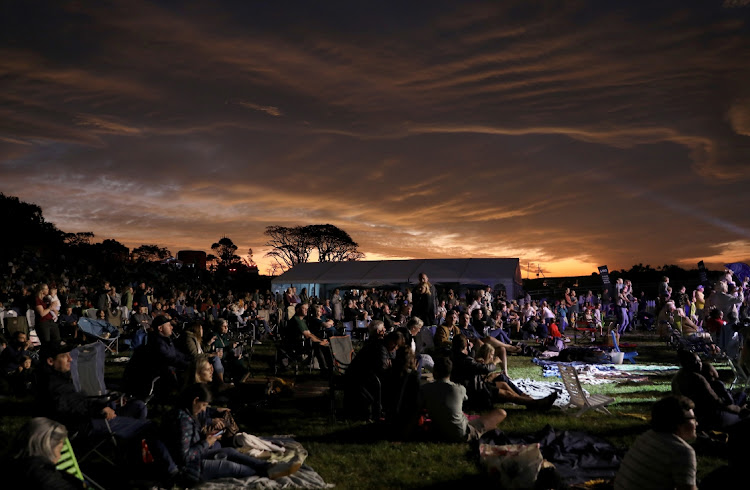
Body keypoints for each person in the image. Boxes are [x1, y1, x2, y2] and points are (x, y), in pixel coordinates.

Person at [167, 384, 300, 484]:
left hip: (198, 455)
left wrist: (207, 437)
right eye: (203, 405)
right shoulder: (183, 421)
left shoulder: (188, 414)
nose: (203, 409)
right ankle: (266, 472)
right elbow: (184, 457)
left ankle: (267, 466)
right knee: (232, 467)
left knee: (230, 451)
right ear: (195, 400)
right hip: (191, 468)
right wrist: (206, 442)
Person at [614, 395, 697, 490]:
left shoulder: (647, 436)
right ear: (679, 422)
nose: (696, 423)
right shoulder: (683, 451)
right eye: (693, 418)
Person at [419, 356, 507, 443]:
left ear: (434, 372)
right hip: (462, 433)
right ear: (450, 372)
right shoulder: (459, 389)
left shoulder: (424, 389)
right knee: (501, 413)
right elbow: (464, 399)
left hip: (438, 432)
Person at [15, 417, 86, 489]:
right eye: (59, 450)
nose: (60, 456)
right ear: (48, 448)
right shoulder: (46, 478)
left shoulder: (14, 463)